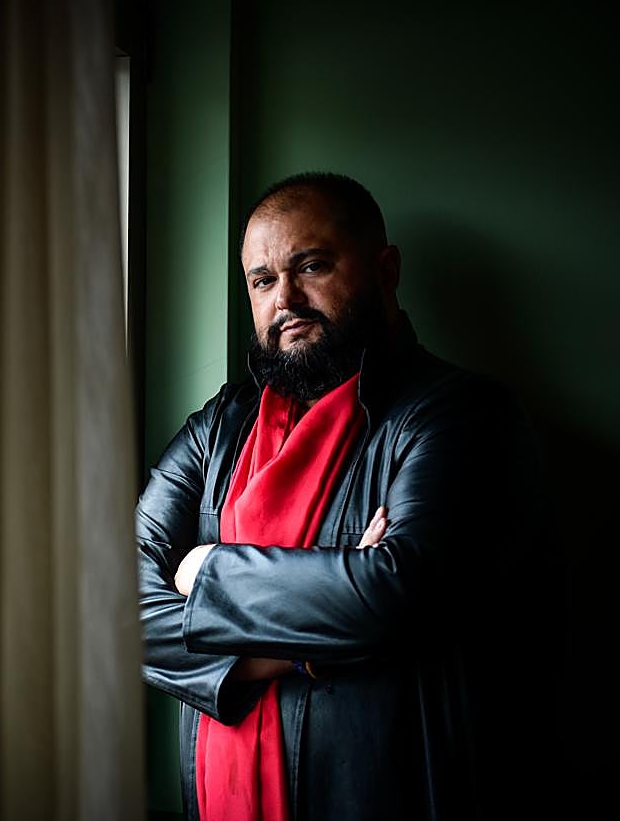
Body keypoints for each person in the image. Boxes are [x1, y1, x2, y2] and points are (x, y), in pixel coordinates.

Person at [137, 172, 548, 821]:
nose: (286, 299)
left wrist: (202, 568)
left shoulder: (460, 413)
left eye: (313, 266)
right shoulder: (218, 427)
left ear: (385, 269)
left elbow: (393, 594)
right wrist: (284, 653)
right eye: (262, 281)